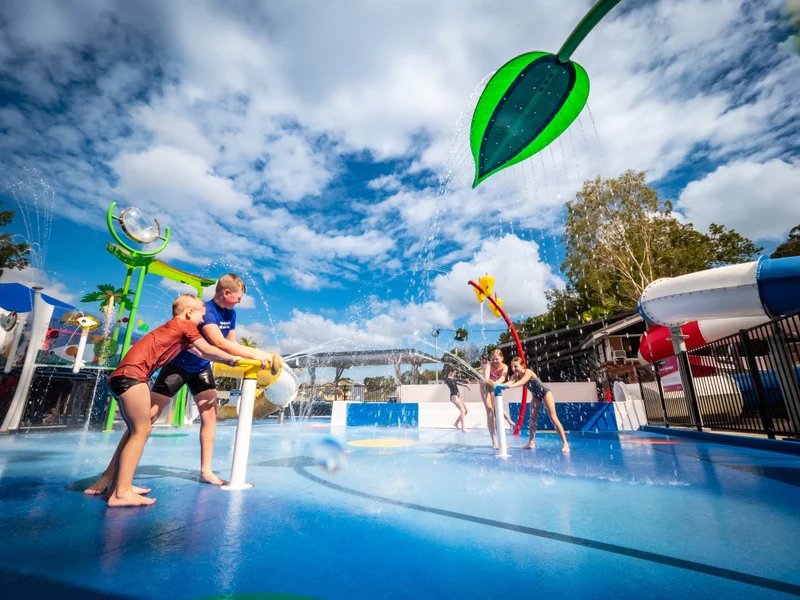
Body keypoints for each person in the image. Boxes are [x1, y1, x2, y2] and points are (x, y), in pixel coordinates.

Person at [90, 295, 241, 507]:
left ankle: (120, 486)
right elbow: (208, 349)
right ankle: (120, 493)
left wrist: (227, 358)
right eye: (200, 316)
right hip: (132, 378)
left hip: (124, 377)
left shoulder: (174, 330)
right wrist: (233, 358)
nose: (202, 321)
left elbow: (201, 353)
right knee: (142, 431)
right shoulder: (186, 325)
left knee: (138, 430)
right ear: (189, 313)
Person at [150, 273, 278, 485]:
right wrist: (259, 355)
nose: (240, 301)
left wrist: (264, 355)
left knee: (209, 416)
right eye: (238, 297)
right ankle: (116, 470)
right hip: (177, 366)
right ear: (226, 293)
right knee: (149, 417)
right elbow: (219, 343)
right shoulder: (207, 312)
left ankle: (206, 471)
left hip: (201, 368)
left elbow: (233, 344)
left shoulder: (231, 314)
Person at [500, 357, 570, 452]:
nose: (513, 369)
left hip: (545, 392)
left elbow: (522, 382)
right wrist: (500, 386)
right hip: (536, 396)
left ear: (523, 365)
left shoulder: (528, 372)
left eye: (516, 366)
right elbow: (509, 382)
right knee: (532, 419)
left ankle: (565, 444)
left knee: (553, 417)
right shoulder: (515, 376)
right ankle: (531, 442)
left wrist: (509, 386)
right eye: (512, 367)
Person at [481, 349, 514, 449]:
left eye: (497, 359)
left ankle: (502, 440)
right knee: (490, 412)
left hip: (494, 386)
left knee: (498, 411)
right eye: (493, 359)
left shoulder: (504, 366)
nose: (495, 361)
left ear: (502, 358)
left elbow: (503, 378)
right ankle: (494, 441)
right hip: (485, 387)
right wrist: (490, 383)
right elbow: (487, 377)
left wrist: (497, 384)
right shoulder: (489, 366)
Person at [443, 368, 470, 432]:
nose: (455, 374)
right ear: (450, 372)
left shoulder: (453, 379)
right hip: (454, 396)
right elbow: (456, 381)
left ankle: (456, 423)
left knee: (465, 411)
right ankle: (463, 429)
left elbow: (458, 382)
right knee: (463, 411)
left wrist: (466, 384)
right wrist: (463, 380)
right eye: (454, 372)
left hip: (457, 396)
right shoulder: (448, 379)